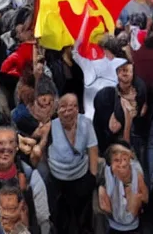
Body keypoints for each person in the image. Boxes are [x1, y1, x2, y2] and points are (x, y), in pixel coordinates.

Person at [46, 94, 98, 234]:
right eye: (63, 106)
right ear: (58, 110)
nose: (68, 110)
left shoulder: (86, 123)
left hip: (80, 175)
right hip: (58, 178)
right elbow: (41, 148)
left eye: (73, 106)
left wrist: (92, 177)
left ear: (77, 109)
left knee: (82, 215)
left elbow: (92, 148)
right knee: (61, 218)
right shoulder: (51, 125)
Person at [97, 141, 148, 233]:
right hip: (113, 226)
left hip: (133, 227)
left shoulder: (136, 171)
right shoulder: (106, 173)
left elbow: (144, 198)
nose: (122, 164)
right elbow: (105, 206)